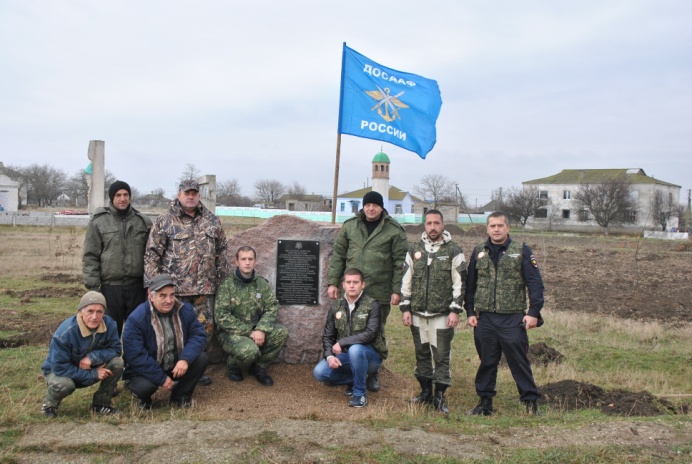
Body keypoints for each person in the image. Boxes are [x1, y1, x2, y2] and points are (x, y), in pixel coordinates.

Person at [144, 179, 229, 386]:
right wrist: (153, 287)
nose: (190, 196)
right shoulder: (165, 221)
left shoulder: (211, 220)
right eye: (186, 193)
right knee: (175, 332)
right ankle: (174, 370)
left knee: (204, 332)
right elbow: (152, 254)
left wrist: (222, 284)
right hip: (174, 292)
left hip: (204, 289)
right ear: (179, 194)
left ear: (199, 195)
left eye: (194, 193)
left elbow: (222, 252)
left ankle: (195, 370)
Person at [464, 212, 545, 416]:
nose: (496, 229)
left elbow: (535, 283)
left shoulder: (521, 251)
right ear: (487, 228)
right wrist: (470, 311)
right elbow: (470, 285)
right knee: (487, 362)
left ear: (508, 227)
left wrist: (533, 312)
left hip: (512, 317)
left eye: (500, 225)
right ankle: (485, 402)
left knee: (518, 360)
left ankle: (530, 402)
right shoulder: (478, 252)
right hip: (485, 318)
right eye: (493, 226)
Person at [326, 191, 407, 391]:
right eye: (368, 205)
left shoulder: (394, 230)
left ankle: (372, 372)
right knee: (348, 328)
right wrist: (333, 282)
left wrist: (397, 289)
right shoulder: (350, 226)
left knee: (375, 332)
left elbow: (400, 263)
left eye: (375, 205)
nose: (371, 209)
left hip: (379, 291)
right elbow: (338, 256)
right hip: (351, 290)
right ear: (363, 207)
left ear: (381, 207)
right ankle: (352, 373)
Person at [400, 210, 466, 414]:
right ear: (424, 225)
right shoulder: (414, 249)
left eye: (436, 223)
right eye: (429, 223)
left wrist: (455, 310)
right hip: (418, 313)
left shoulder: (454, 250)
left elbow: (460, 283)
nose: (433, 227)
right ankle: (425, 392)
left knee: (441, 356)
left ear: (443, 225)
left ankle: (440, 396)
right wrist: (405, 307)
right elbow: (406, 280)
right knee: (421, 355)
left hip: (442, 315)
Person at [122, 274, 209, 409]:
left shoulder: (184, 310)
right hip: (149, 367)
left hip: (174, 364)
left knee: (201, 358)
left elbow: (198, 335)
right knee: (143, 387)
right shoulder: (136, 319)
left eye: (171, 295)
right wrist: (161, 378)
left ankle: (180, 396)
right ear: (151, 296)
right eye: (163, 296)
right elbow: (135, 355)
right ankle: (144, 399)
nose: (169, 300)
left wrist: (185, 360)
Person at [82, 180, 152, 335]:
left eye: (126, 194)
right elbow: (90, 256)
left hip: (137, 288)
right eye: (118, 195)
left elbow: (151, 256)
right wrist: (94, 287)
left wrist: (151, 285)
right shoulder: (99, 221)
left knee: (138, 332)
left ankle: (133, 360)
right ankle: (113, 360)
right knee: (109, 331)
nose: (122, 198)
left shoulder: (143, 222)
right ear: (112, 198)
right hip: (110, 288)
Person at [40, 291, 123, 418]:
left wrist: (92, 358)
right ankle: (49, 405)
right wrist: (93, 374)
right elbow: (59, 367)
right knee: (65, 385)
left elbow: (116, 349)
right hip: (60, 372)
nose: (95, 317)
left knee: (117, 363)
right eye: (90, 311)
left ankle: (100, 405)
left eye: (99, 311)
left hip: (90, 366)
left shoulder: (109, 324)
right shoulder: (65, 333)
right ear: (80, 312)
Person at [215, 246, 288, 386]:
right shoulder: (227, 285)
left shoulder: (261, 283)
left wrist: (261, 329)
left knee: (281, 332)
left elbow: (272, 307)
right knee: (250, 350)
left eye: (250, 259)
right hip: (231, 333)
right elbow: (221, 317)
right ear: (237, 262)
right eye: (243, 259)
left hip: (256, 329)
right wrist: (250, 332)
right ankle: (233, 365)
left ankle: (259, 367)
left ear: (255, 262)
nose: (247, 262)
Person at [313, 268, 387, 408]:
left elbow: (370, 334)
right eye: (349, 282)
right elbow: (328, 335)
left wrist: (342, 342)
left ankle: (359, 394)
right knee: (319, 373)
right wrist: (329, 356)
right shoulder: (336, 306)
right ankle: (355, 379)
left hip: (370, 356)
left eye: (355, 282)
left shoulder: (372, 305)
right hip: (345, 356)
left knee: (356, 349)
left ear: (362, 285)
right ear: (343, 285)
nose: (352, 285)